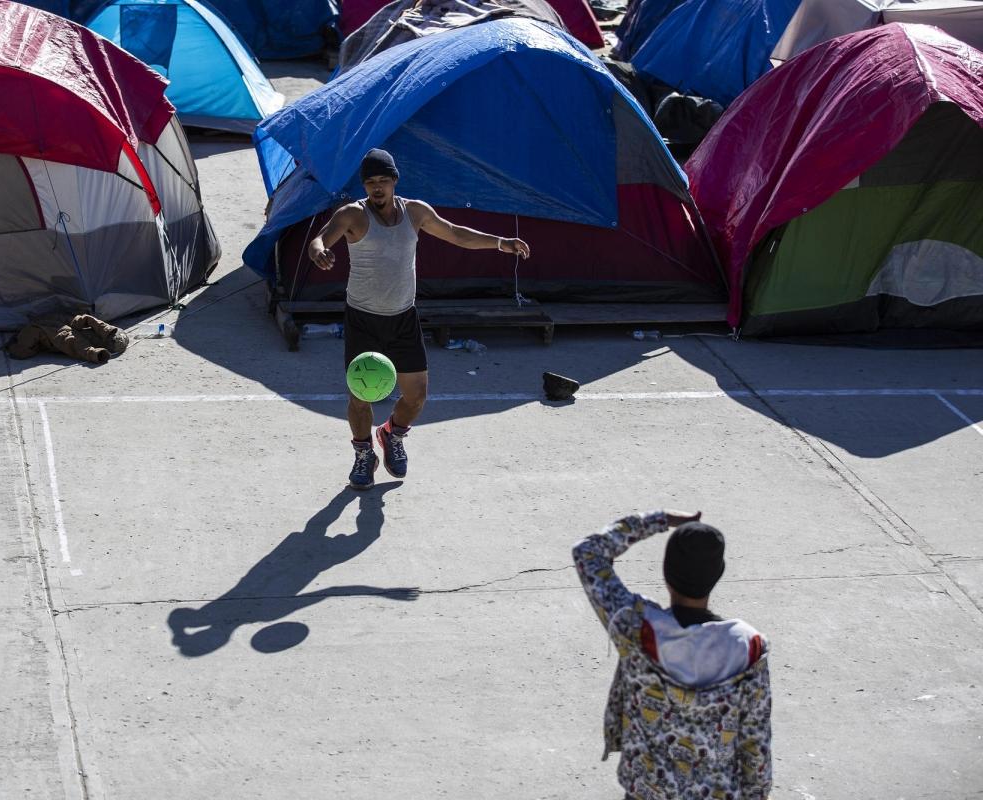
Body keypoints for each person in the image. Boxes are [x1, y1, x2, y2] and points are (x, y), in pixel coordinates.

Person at [307, 148, 530, 489]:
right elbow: (320, 238)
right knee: (360, 397)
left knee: (417, 396)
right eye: (370, 182)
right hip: (363, 320)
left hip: (403, 317)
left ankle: (391, 434)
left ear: (395, 181)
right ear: (364, 185)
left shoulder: (415, 211)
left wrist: (501, 243)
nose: (377, 188)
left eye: (383, 181)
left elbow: (455, 233)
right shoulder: (353, 214)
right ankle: (363, 454)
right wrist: (321, 251)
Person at [572, 511, 772, 800]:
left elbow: (587, 552)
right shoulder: (748, 648)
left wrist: (660, 520)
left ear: (666, 573)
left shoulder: (636, 627)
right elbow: (756, 743)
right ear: (717, 575)